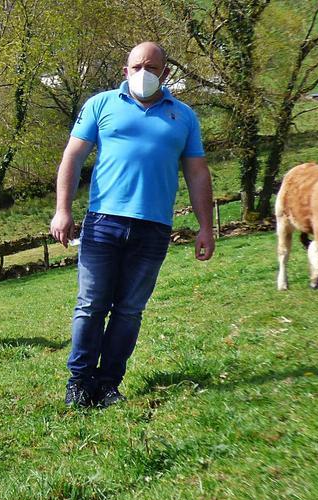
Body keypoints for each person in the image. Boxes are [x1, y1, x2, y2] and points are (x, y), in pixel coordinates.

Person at [49, 41, 215, 409]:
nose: (144, 73)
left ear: (165, 73)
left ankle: (108, 384)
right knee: (90, 305)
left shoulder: (183, 116)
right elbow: (72, 157)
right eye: (137, 66)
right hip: (103, 222)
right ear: (125, 71)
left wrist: (206, 227)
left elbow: (198, 173)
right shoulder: (100, 105)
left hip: (153, 229)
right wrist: (63, 210)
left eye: (152, 67)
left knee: (128, 311)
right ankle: (78, 383)